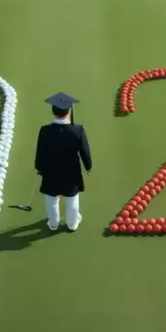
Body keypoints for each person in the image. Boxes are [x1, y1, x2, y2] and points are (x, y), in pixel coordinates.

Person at [35, 92, 92, 231]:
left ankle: (53, 224)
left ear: (53, 111)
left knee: (51, 199)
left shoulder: (45, 130)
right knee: (72, 199)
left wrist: (39, 168)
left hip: (51, 171)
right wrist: (88, 167)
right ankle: (72, 224)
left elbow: (40, 152)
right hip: (71, 172)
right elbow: (85, 151)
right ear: (69, 111)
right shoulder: (78, 130)